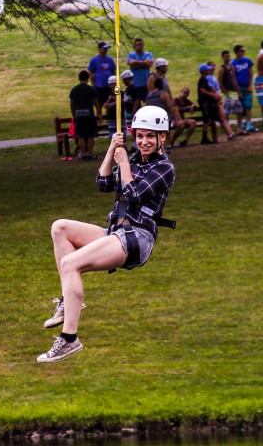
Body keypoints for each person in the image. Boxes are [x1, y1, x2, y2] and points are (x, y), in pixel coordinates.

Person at [38, 105, 176, 363]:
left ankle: (70, 339)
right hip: (116, 232)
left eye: (150, 136)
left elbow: (134, 196)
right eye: (139, 136)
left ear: (162, 138)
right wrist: (112, 150)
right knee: (60, 227)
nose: (143, 141)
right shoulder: (133, 160)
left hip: (137, 238)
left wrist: (124, 163)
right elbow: (103, 183)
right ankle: (71, 302)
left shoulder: (165, 168)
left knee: (70, 264)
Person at [70, 70, 102, 160]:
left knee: (81, 135)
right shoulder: (91, 89)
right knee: (90, 135)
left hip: (79, 115)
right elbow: (96, 103)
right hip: (89, 115)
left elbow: (71, 104)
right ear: (88, 78)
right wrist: (99, 113)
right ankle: (90, 153)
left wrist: (74, 115)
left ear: (79, 78)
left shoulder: (74, 89)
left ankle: (83, 154)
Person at [144, 76, 182, 151]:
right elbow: (170, 106)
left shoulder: (149, 95)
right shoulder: (164, 94)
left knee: (156, 133)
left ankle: (157, 147)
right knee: (167, 132)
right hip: (163, 117)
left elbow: (147, 107)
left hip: (152, 118)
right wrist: (175, 117)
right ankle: (168, 146)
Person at [205, 60, 236, 140]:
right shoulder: (208, 78)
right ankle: (230, 134)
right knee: (222, 117)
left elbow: (217, 88)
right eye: (211, 66)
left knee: (223, 117)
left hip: (217, 99)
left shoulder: (213, 77)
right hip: (215, 100)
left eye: (214, 66)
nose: (213, 68)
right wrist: (218, 98)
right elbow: (212, 89)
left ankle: (230, 133)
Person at [219, 50, 247, 136]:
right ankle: (229, 130)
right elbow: (219, 82)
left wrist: (238, 91)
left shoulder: (232, 67)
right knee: (227, 112)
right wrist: (225, 92)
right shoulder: (221, 69)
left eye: (229, 56)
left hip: (234, 92)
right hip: (227, 93)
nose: (228, 58)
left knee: (239, 110)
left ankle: (239, 128)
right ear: (223, 57)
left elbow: (234, 79)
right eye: (226, 56)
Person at [231, 45, 257, 132]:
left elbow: (251, 73)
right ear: (237, 52)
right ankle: (241, 124)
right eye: (241, 51)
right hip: (239, 87)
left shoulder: (247, 61)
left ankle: (249, 123)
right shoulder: (233, 63)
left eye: (243, 51)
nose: (243, 52)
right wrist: (237, 89)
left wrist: (250, 85)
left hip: (247, 86)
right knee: (240, 107)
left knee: (248, 106)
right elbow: (233, 77)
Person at [197, 64, 220, 144]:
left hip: (206, 102)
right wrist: (213, 95)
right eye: (207, 69)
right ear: (203, 71)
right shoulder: (203, 79)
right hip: (204, 102)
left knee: (207, 119)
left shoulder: (205, 79)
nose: (209, 70)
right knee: (206, 119)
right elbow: (203, 91)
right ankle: (204, 138)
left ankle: (206, 137)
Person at [88, 41, 116, 107]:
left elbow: (113, 72)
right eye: (104, 48)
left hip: (109, 87)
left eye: (106, 48)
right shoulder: (94, 60)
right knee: (98, 105)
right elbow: (90, 74)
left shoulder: (110, 59)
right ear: (99, 49)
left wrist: (115, 84)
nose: (106, 50)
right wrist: (93, 86)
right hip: (98, 87)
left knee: (110, 104)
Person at [127, 38, 153, 105]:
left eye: (141, 44)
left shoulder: (148, 54)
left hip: (146, 83)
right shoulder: (131, 55)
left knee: (148, 103)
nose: (140, 46)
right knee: (136, 104)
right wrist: (144, 64)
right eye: (138, 45)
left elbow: (148, 64)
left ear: (143, 45)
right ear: (135, 46)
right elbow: (132, 65)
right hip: (135, 84)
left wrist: (136, 62)